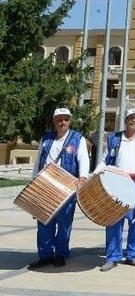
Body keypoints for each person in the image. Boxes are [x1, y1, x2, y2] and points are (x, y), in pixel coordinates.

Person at [28, 108, 90, 269]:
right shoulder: (46, 138)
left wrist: (82, 178)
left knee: (64, 223)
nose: (63, 122)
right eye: (59, 119)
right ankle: (45, 255)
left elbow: (84, 159)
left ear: (70, 121)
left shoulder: (77, 139)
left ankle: (60, 254)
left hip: (67, 186)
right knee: (44, 221)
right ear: (54, 121)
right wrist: (34, 182)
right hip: (45, 184)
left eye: (66, 119)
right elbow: (38, 162)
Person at [97, 108, 135, 271]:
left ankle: (133, 255)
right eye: (131, 118)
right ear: (125, 120)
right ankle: (112, 257)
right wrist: (95, 174)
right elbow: (104, 160)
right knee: (114, 221)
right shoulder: (114, 139)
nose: (134, 121)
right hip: (117, 182)